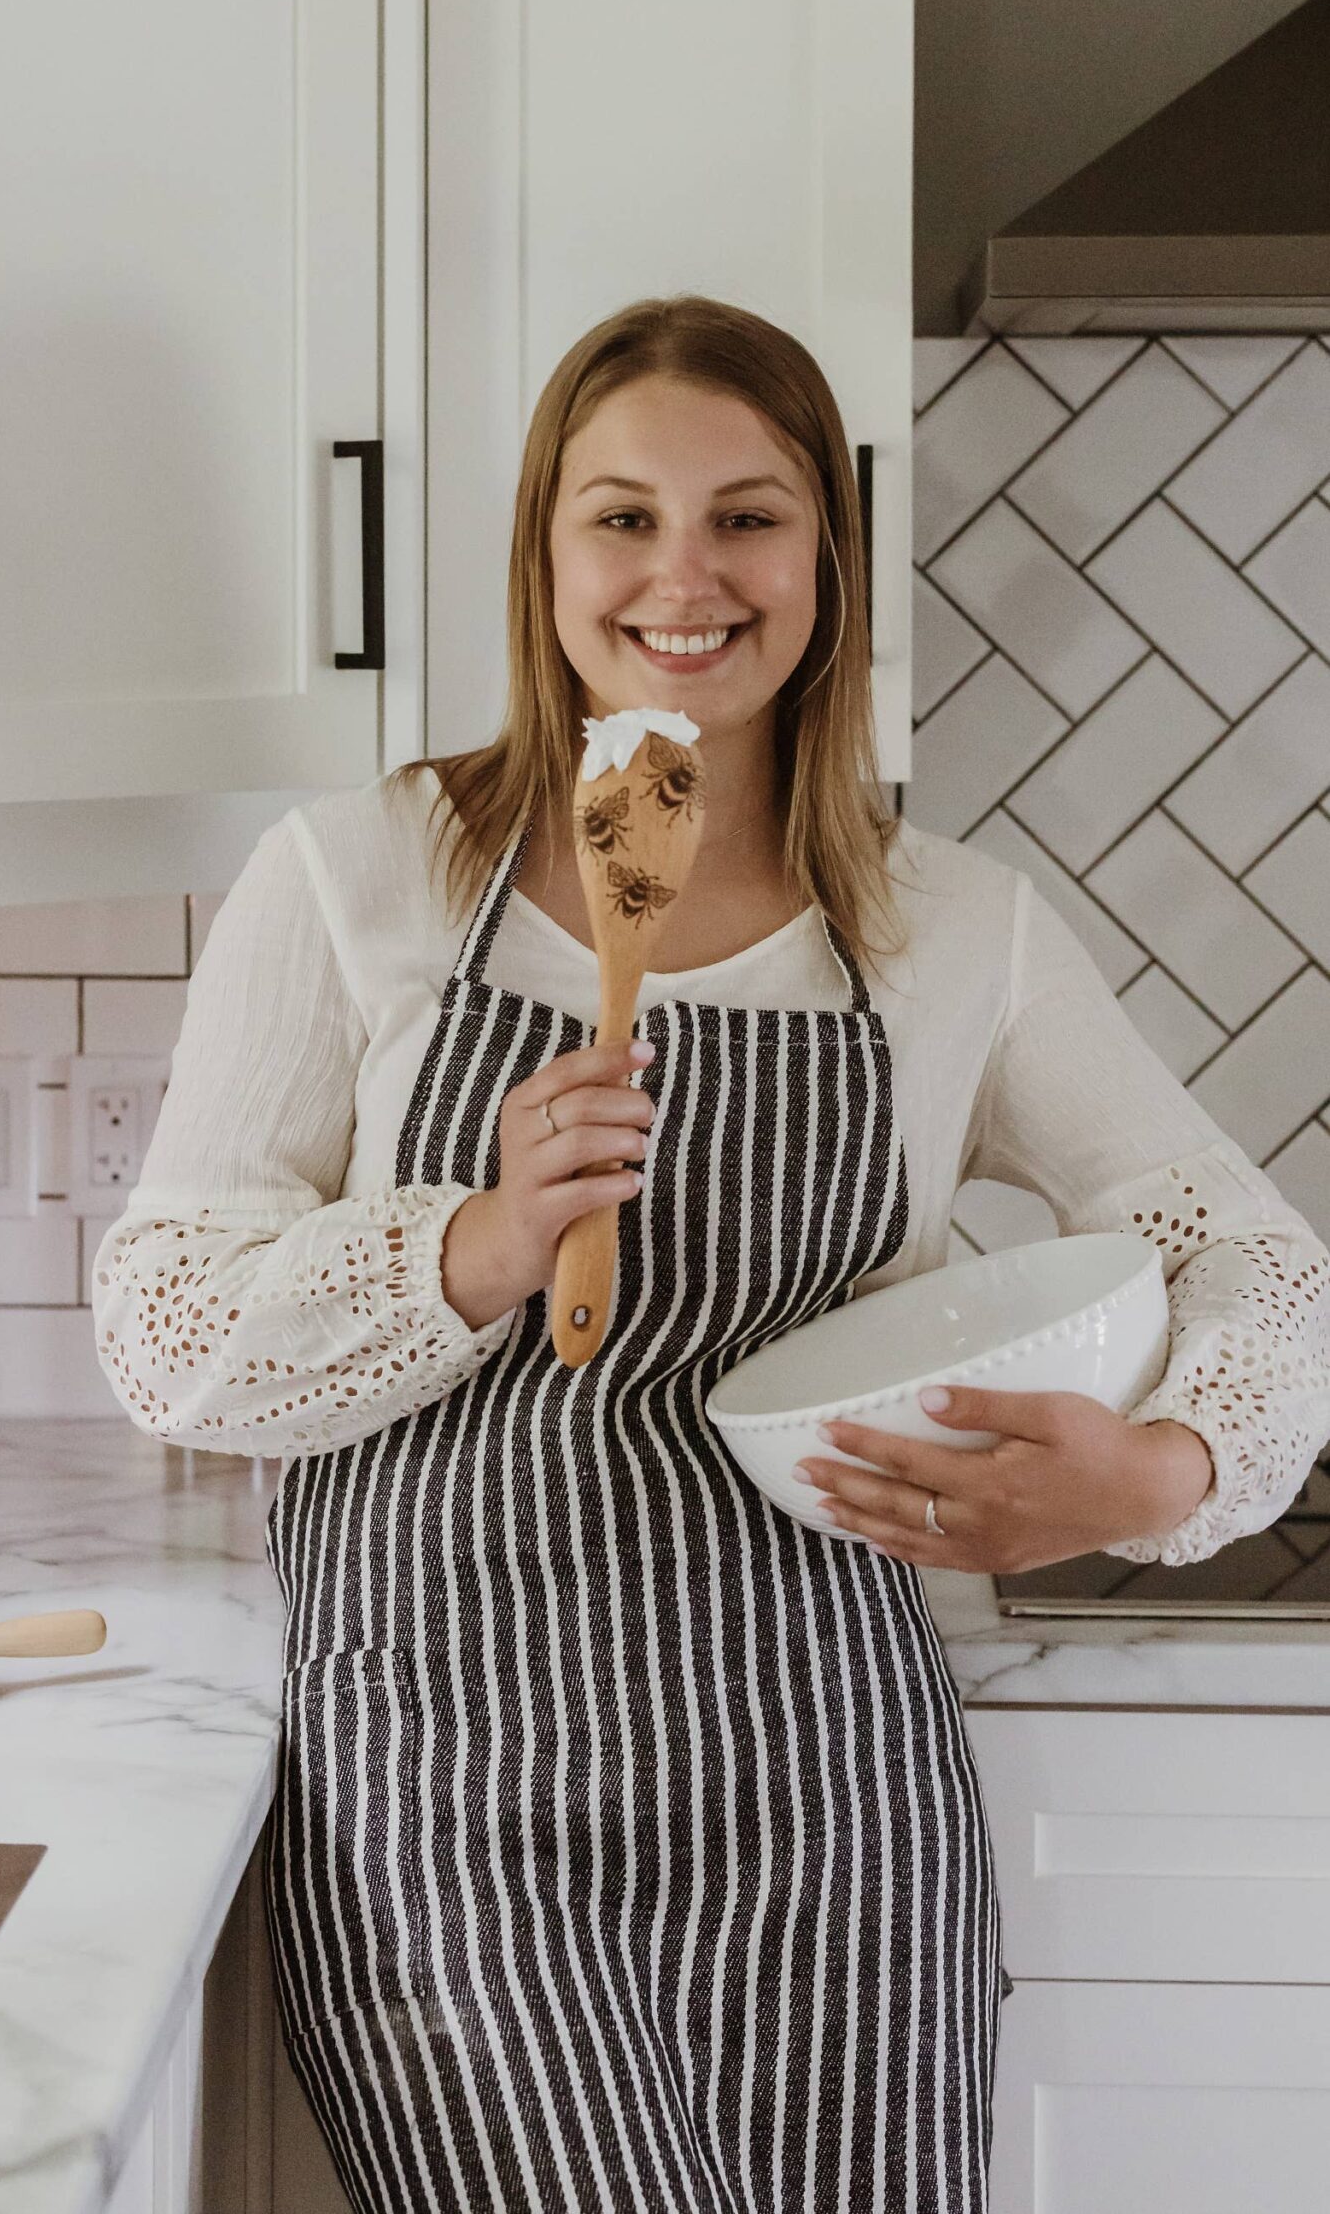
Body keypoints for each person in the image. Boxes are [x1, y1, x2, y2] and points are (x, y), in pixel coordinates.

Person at [92, 295, 1330, 2213]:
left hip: (829, 1794)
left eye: (748, 517)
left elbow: (1256, 1256)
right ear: (544, 552)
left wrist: (1156, 1471)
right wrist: (477, 1247)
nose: (686, 576)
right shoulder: (365, 877)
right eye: (623, 518)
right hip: (447, 1794)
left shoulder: (948, 932)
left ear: (828, 555)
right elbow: (167, 1326)